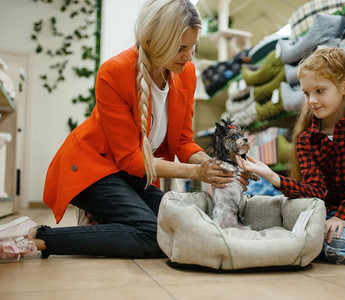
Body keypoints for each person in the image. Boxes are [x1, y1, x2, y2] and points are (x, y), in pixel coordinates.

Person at [0, 0, 247, 261]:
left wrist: (217, 169)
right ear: (155, 41)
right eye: (180, 48)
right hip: (92, 169)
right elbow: (131, 159)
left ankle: (103, 221)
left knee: (178, 222)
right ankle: (35, 236)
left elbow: (184, 142)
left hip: (132, 176)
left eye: (193, 46)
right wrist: (196, 172)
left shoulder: (186, 73)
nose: (189, 57)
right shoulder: (114, 72)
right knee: (152, 234)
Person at [236, 47, 345, 264]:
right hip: (331, 211)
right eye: (306, 93)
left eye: (320, 91)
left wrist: (342, 216)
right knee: (302, 240)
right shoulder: (306, 137)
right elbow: (315, 190)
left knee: (339, 248)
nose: (312, 101)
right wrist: (272, 176)